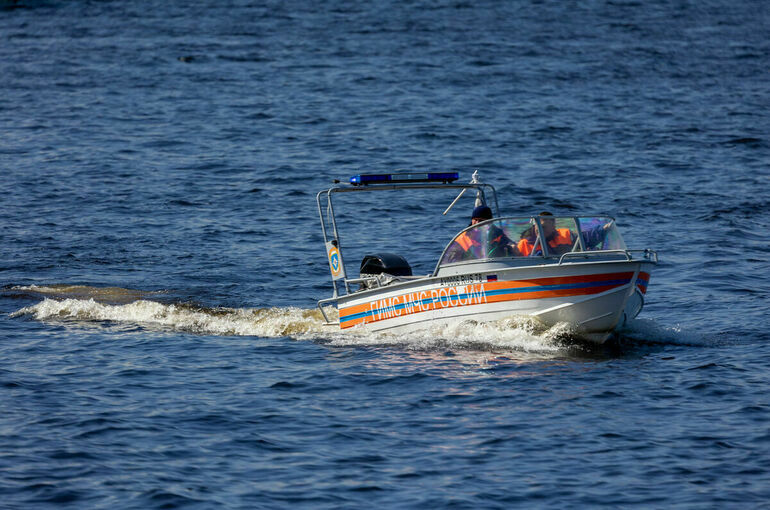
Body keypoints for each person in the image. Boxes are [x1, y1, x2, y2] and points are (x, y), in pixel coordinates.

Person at [517, 212, 611, 256]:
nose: (538, 230)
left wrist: (602, 230)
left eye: (543, 227)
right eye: (537, 226)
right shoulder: (524, 243)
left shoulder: (565, 235)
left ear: (553, 225)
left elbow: (584, 239)